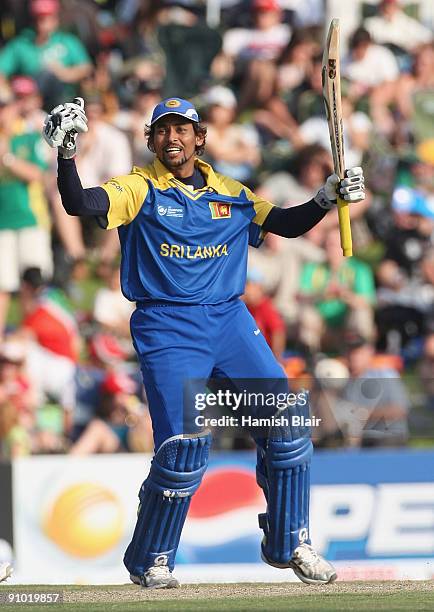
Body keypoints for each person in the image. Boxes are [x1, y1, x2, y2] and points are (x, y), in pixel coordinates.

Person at [42, 95, 365, 589]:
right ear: (151, 140)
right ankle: (151, 559)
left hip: (230, 321)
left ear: (199, 137)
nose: (173, 138)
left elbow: (284, 223)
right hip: (168, 325)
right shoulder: (139, 187)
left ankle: (289, 542)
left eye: (182, 129)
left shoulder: (231, 192)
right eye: (163, 131)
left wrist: (326, 197)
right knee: (183, 447)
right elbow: (79, 203)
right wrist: (67, 154)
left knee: (286, 422)